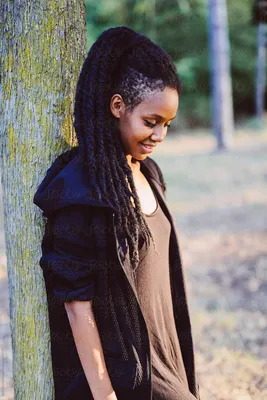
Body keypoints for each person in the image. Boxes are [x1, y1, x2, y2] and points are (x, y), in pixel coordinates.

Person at [33, 26, 200, 400]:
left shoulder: (150, 174)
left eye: (167, 125)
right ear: (118, 106)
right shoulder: (82, 192)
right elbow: (77, 307)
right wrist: (105, 394)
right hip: (128, 382)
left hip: (168, 366)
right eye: (151, 122)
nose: (159, 135)